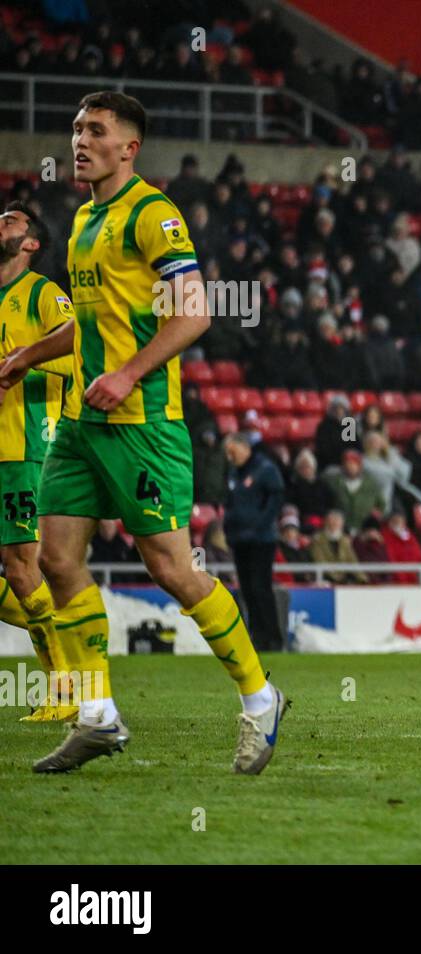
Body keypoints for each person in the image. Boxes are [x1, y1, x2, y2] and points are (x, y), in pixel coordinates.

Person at [0, 92, 285, 774]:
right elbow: (88, 325)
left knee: (172, 570)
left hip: (141, 423)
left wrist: (128, 374)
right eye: (76, 127)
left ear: (129, 147)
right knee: (57, 560)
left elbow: (194, 315)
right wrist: (25, 356)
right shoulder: (83, 221)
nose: (80, 139)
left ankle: (259, 696)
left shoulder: (152, 214)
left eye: (96, 130)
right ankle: (97, 714)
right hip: (78, 424)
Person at [0, 201, 79, 721]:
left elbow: (78, 341)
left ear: (31, 243)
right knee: (18, 573)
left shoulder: (42, 293)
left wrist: (23, 359)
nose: (0, 223)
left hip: (26, 447)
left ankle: (65, 688)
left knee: (24, 568)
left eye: (11, 220)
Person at [222, 432, 285, 651]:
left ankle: (273, 638)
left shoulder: (264, 469)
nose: (230, 456)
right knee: (248, 589)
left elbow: (276, 498)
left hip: (261, 540)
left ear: (244, 447)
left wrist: (260, 524)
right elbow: (229, 503)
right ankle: (258, 637)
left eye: (232, 451)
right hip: (240, 540)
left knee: (261, 587)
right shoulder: (233, 473)